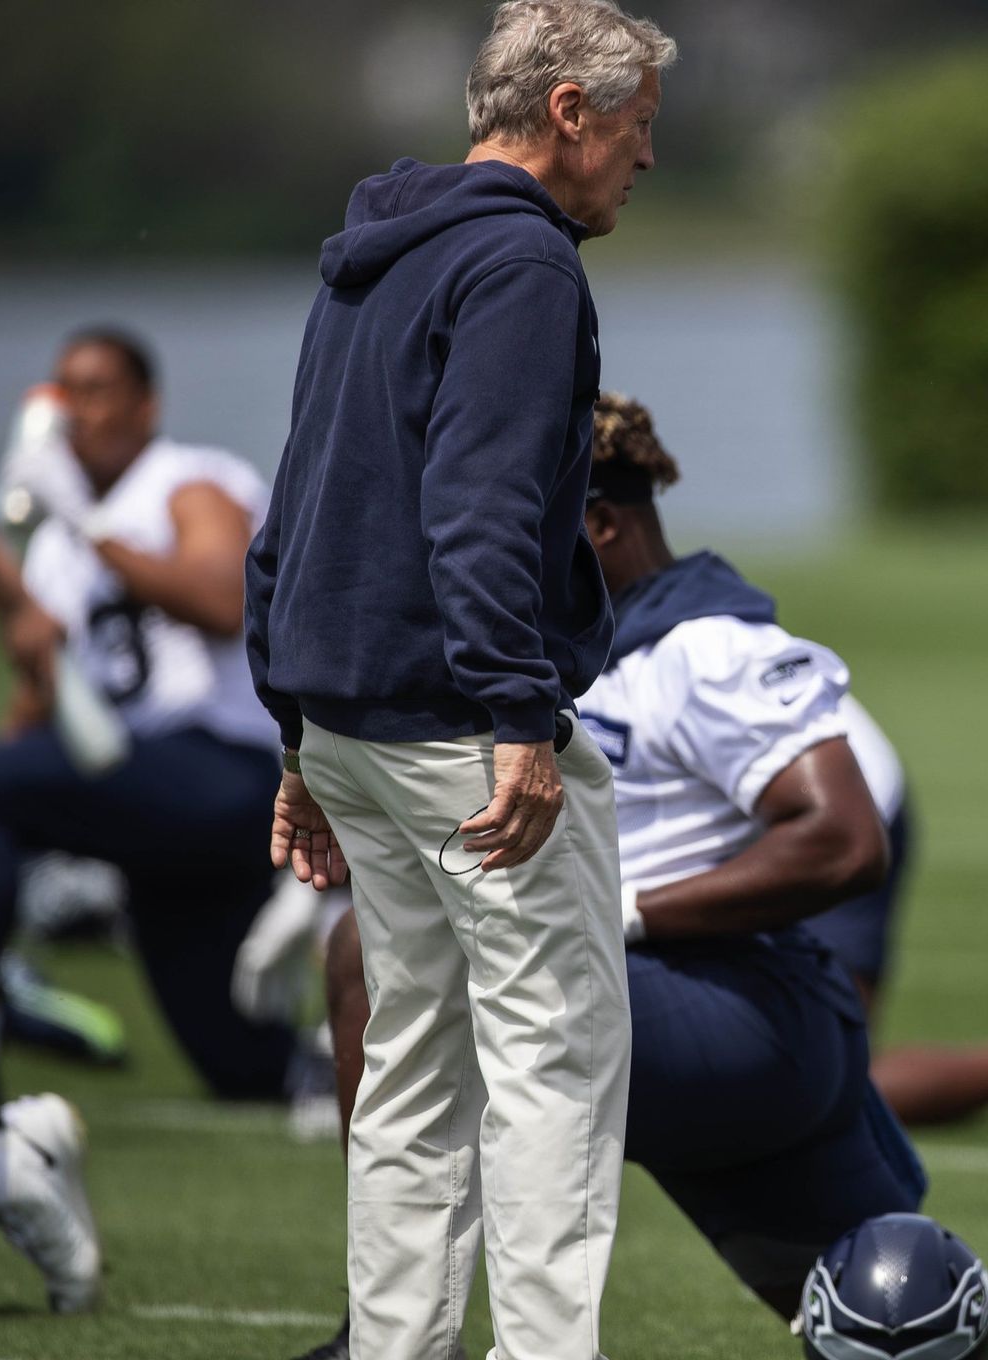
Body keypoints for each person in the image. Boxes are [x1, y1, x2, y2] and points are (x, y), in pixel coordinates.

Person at [279, 393, 988, 1360]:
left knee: (366, 954)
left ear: (598, 524)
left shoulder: (706, 648)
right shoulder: (551, 656)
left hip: (732, 1019)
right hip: (679, 1030)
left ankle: (379, 1336)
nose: (478, 552)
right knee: (924, 1326)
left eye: (514, 525)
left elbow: (845, 837)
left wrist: (623, 912)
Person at [242, 5, 676, 1357]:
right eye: (638, 128)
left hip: (348, 720)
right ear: (568, 114)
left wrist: (295, 736)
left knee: (416, 1077)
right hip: (455, 728)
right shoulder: (523, 265)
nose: (644, 161)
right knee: (549, 1074)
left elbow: (301, 492)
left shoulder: (371, 251)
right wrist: (516, 715)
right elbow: (482, 505)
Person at [0, 324, 331, 1312]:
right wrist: (28, 695)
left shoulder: (186, 481)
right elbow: (47, 728)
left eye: (101, 389)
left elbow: (224, 600)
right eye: (67, 389)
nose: (80, 409)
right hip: (146, 815)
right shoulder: (54, 542)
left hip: (223, 774)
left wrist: (92, 536)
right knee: (241, 1070)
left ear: (146, 403)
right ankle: (316, 1058)